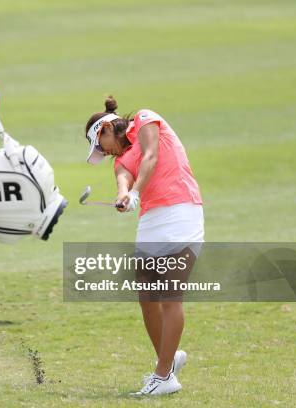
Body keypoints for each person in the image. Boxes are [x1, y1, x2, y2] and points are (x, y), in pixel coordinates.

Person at [84, 96, 204, 395]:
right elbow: (123, 181)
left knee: (169, 296)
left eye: (101, 145)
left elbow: (151, 155)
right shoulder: (121, 163)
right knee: (147, 298)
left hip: (181, 210)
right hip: (151, 220)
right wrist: (125, 197)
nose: (104, 152)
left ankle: (163, 377)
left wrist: (135, 192)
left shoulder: (146, 119)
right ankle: (169, 358)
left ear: (107, 128)